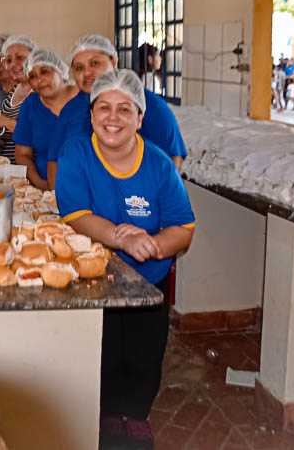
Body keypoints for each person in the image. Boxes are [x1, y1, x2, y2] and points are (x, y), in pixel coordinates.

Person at [55, 69, 195, 449]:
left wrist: (151, 243)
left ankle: (134, 418)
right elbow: (76, 214)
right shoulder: (77, 153)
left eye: (124, 109)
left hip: (148, 281)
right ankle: (97, 417)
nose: (112, 117)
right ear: (91, 113)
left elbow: (183, 227)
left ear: (139, 118)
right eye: (103, 107)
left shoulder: (160, 165)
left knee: (143, 354)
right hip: (93, 276)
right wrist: (119, 235)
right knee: (99, 352)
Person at [45, 34, 188, 189]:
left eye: (94, 63)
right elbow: (54, 160)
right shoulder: (71, 109)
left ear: (113, 61)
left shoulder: (150, 105)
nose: (87, 73)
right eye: (79, 68)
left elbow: (174, 159)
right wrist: (60, 200)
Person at [13, 48, 79, 191]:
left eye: (44, 71)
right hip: (46, 189)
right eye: (32, 76)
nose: (39, 80)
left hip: (86, 186)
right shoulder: (30, 106)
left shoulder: (85, 99)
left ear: (60, 71)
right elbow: (22, 154)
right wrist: (41, 183)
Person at [0, 35, 34, 163]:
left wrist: (5, 121)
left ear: (34, 59)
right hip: (10, 173)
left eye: (20, 58)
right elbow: (5, 133)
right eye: (8, 60)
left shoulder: (39, 93)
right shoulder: (11, 96)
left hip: (30, 172)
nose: (13, 65)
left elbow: (38, 135)